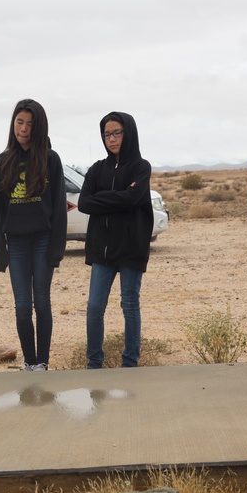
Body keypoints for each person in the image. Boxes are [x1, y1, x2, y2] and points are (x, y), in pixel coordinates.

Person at [0, 100, 67, 372]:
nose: (23, 129)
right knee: (22, 306)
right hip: (17, 244)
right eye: (19, 122)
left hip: (43, 241)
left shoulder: (50, 159)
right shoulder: (3, 162)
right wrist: (1, 253)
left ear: (39, 128)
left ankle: (42, 363)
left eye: (30, 124)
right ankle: (29, 362)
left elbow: (59, 206)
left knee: (42, 302)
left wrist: (56, 250)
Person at [78, 112, 154, 369]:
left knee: (129, 304)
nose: (111, 139)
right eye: (107, 134)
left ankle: (130, 362)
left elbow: (134, 199)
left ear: (128, 133)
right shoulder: (97, 169)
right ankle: (94, 362)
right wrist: (120, 196)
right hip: (102, 250)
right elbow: (84, 202)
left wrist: (106, 197)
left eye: (117, 133)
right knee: (94, 306)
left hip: (131, 247)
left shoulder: (141, 167)